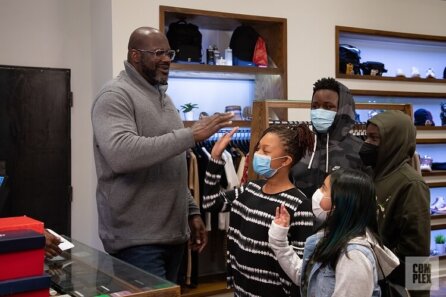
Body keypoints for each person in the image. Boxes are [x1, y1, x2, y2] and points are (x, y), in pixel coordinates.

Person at [91, 27, 233, 283]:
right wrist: (191, 135)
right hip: (136, 241)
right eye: (158, 53)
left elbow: (172, 161)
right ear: (135, 55)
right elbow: (121, 154)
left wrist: (191, 211)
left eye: (169, 52)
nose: (167, 59)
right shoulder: (114, 96)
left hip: (173, 236)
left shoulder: (165, 100)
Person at [202, 124, 315, 296]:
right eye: (258, 148)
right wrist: (215, 158)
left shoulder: (299, 204)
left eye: (266, 151)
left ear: (285, 160)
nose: (257, 154)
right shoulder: (250, 189)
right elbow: (211, 203)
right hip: (241, 289)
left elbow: (299, 268)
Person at [269, 168, 400, 297]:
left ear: (341, 202)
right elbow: (306, 277)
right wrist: (279, 241)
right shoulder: (330, 236)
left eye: (323, 189)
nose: (317, 193)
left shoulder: (354, 258)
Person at [360, 110, 430, 296]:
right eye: (367, 137)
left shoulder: (411, 184)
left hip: (394, 283)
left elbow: (419, 250)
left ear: (393, 143)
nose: (367, 143)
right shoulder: (372, 174)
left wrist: (420, 293)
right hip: (371, 277)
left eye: (374, 138)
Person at [291, 78, 363, 201]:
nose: (319, 111)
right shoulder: (301, 144)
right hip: (301, 218)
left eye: (328, 107)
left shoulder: (360, 150)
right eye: (315, 106)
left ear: (343, 109)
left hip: (341, 219)